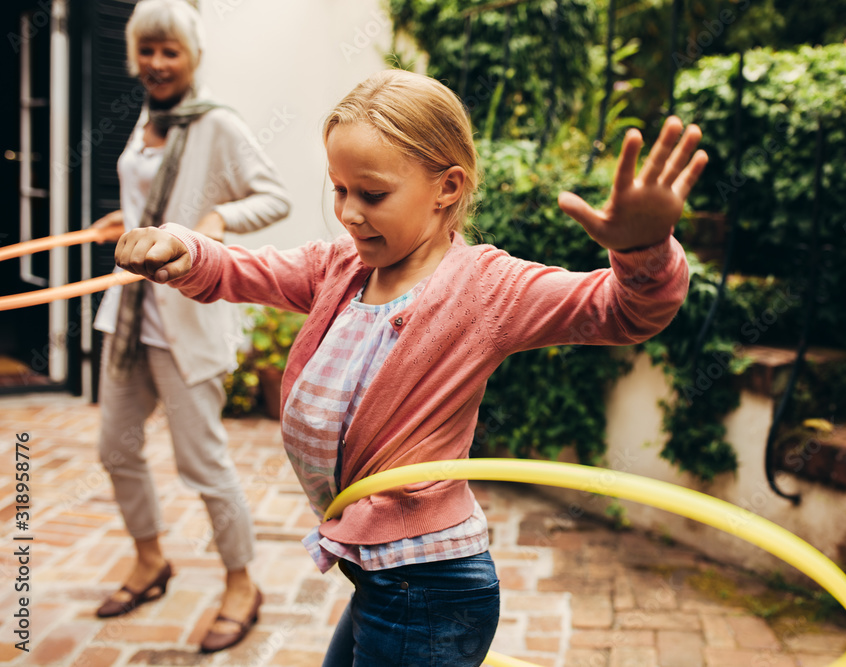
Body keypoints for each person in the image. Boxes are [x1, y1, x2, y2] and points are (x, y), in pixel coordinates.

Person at [113, 68, 706, 666]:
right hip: (384, 575)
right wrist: (182, 248)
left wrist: (643, 251)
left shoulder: (486, 289)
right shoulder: (340, 269)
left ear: (447, 187)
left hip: (430, 584)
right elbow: (243, 268)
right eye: (338, 189)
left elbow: (625, 311)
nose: (347, 212)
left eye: (371, 194)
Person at [90, 0, 290, 653]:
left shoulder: (217, 126)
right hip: (128, 315)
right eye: (146, 51)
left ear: (193, 56)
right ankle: (150, 559)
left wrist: (221, 223)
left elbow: (273, 196)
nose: (155, 63)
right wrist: (124, 224)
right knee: (115, 446)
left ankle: (241, 583)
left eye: (169, 51)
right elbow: (152, 200)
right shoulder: (147, 122)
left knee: (201, 462)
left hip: (188, 316)